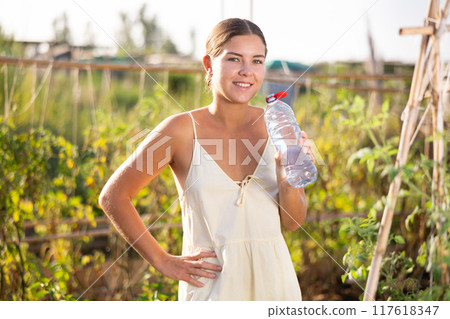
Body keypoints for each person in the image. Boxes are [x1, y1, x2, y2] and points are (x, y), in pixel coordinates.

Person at [99, 18, 311, 301]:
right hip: (212, 290)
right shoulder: (179, 131)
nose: (247, 71)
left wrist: (287, 182)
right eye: (235, 59)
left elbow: (293, 222)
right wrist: (163, 260)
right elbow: (114, 196)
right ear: (209, 65)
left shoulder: (277, 125)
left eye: (257, 61)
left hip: (276, 287)